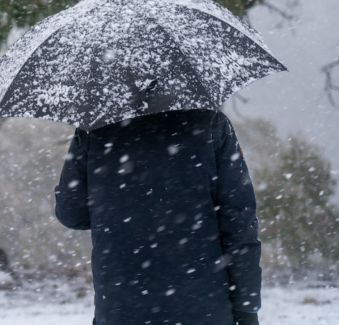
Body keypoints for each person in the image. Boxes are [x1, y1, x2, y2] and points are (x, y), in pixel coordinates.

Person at [55, 110, 261, 325]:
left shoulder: (94, 128)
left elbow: (71, 214)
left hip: (121, 304)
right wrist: (246, 306)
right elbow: (238, 220)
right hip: (203, 304)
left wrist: (115, 209)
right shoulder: (211, 122)